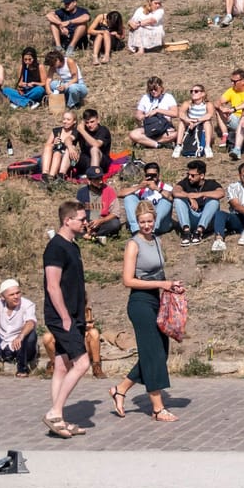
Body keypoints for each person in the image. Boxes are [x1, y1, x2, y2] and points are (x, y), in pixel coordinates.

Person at [109, 219, 184, 422]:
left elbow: (159, 273)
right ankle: (158, 408)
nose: (147, 225)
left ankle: (120, 389)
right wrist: (162, 283)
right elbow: (128, 280)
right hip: (139, 302)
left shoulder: (157, 240)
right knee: (152, 354)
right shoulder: (134, 244)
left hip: (155, 300)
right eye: (142, 222)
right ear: (137, 222)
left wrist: (171, 286)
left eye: (150, 221)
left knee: (161, 351)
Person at [43, 201, 93, 437]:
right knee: (83, 363)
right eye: (81, 219)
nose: (85, 222)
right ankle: (54, 412)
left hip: (75, 313)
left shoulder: (73, 246)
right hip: (61, 315)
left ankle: (58, 418)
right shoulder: (56, 248)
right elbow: (53, 286)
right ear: (67, 220)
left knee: (62, 365)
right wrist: (64, 317)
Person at [0, 279, 38, 377]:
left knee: (31, 334)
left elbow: (30, 322)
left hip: (20, 346)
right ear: (3, 297)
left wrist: (20, 336)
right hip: (2, 345)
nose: (16, 297)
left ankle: (22, 368)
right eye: (12, 295)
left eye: (18, 293)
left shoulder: (27, 304)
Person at [172, 160, 226, 250]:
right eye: (188, 174)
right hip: (192, 218)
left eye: (193, 175)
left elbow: (221, 193)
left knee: (214, 201)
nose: (189, 177)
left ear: (202, 176)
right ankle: (186, 232)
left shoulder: (211, 184)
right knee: (178, 200)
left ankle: (199, 232)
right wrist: (189, 197)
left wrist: (201, 194)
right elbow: (175, 192)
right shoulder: (185, 183)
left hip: (207, 221)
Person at [122, 162, 175, 236]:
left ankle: (152, 230)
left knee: (166, 200)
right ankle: (136, 230)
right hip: (143, 223)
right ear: (145, 175)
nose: (151, 178)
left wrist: (157, 188)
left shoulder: (166, 187)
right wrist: (139, 187)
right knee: (129, 197)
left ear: (159, 175)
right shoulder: (141, 187)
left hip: (161, 224)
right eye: (149, 175)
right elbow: (120, 193)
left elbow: (172, 197)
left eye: (154, 175)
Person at [181, 81, 224, 160]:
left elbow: (209, 115)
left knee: (207, 122)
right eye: (192, 91)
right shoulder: (187, 103)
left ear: (203, 94)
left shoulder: (208, 104)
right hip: (190, 125)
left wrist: (196, 121)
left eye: (196, 91)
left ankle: (207, 147)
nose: (193, 93)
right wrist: (188, 121)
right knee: (181, 122)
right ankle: (178, 145)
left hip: (202, 126)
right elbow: (181, 114)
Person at [219, 68, 244, 148]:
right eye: (231, 80)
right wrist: (221, 108)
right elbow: (218, 102)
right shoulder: (231, 90)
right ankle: (225, 135)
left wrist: (234, 109)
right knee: (218, 110)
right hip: (235, 119)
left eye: (234, 81)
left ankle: (240, 140)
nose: (232, 83)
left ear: (243, 81)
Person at [39, 110, 82, 185]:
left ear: (74, 121)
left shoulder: (75, 132)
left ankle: (55, 176)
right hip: (52, 156)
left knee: (63, 151)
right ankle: (45, 174)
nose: (65, 121)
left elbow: (70, 141)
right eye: (64, 119)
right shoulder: (56, 131)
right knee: (49, 147)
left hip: (65, 159)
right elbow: (47, 146)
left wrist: (70, 148)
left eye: (68, 120)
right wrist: (54, 143)